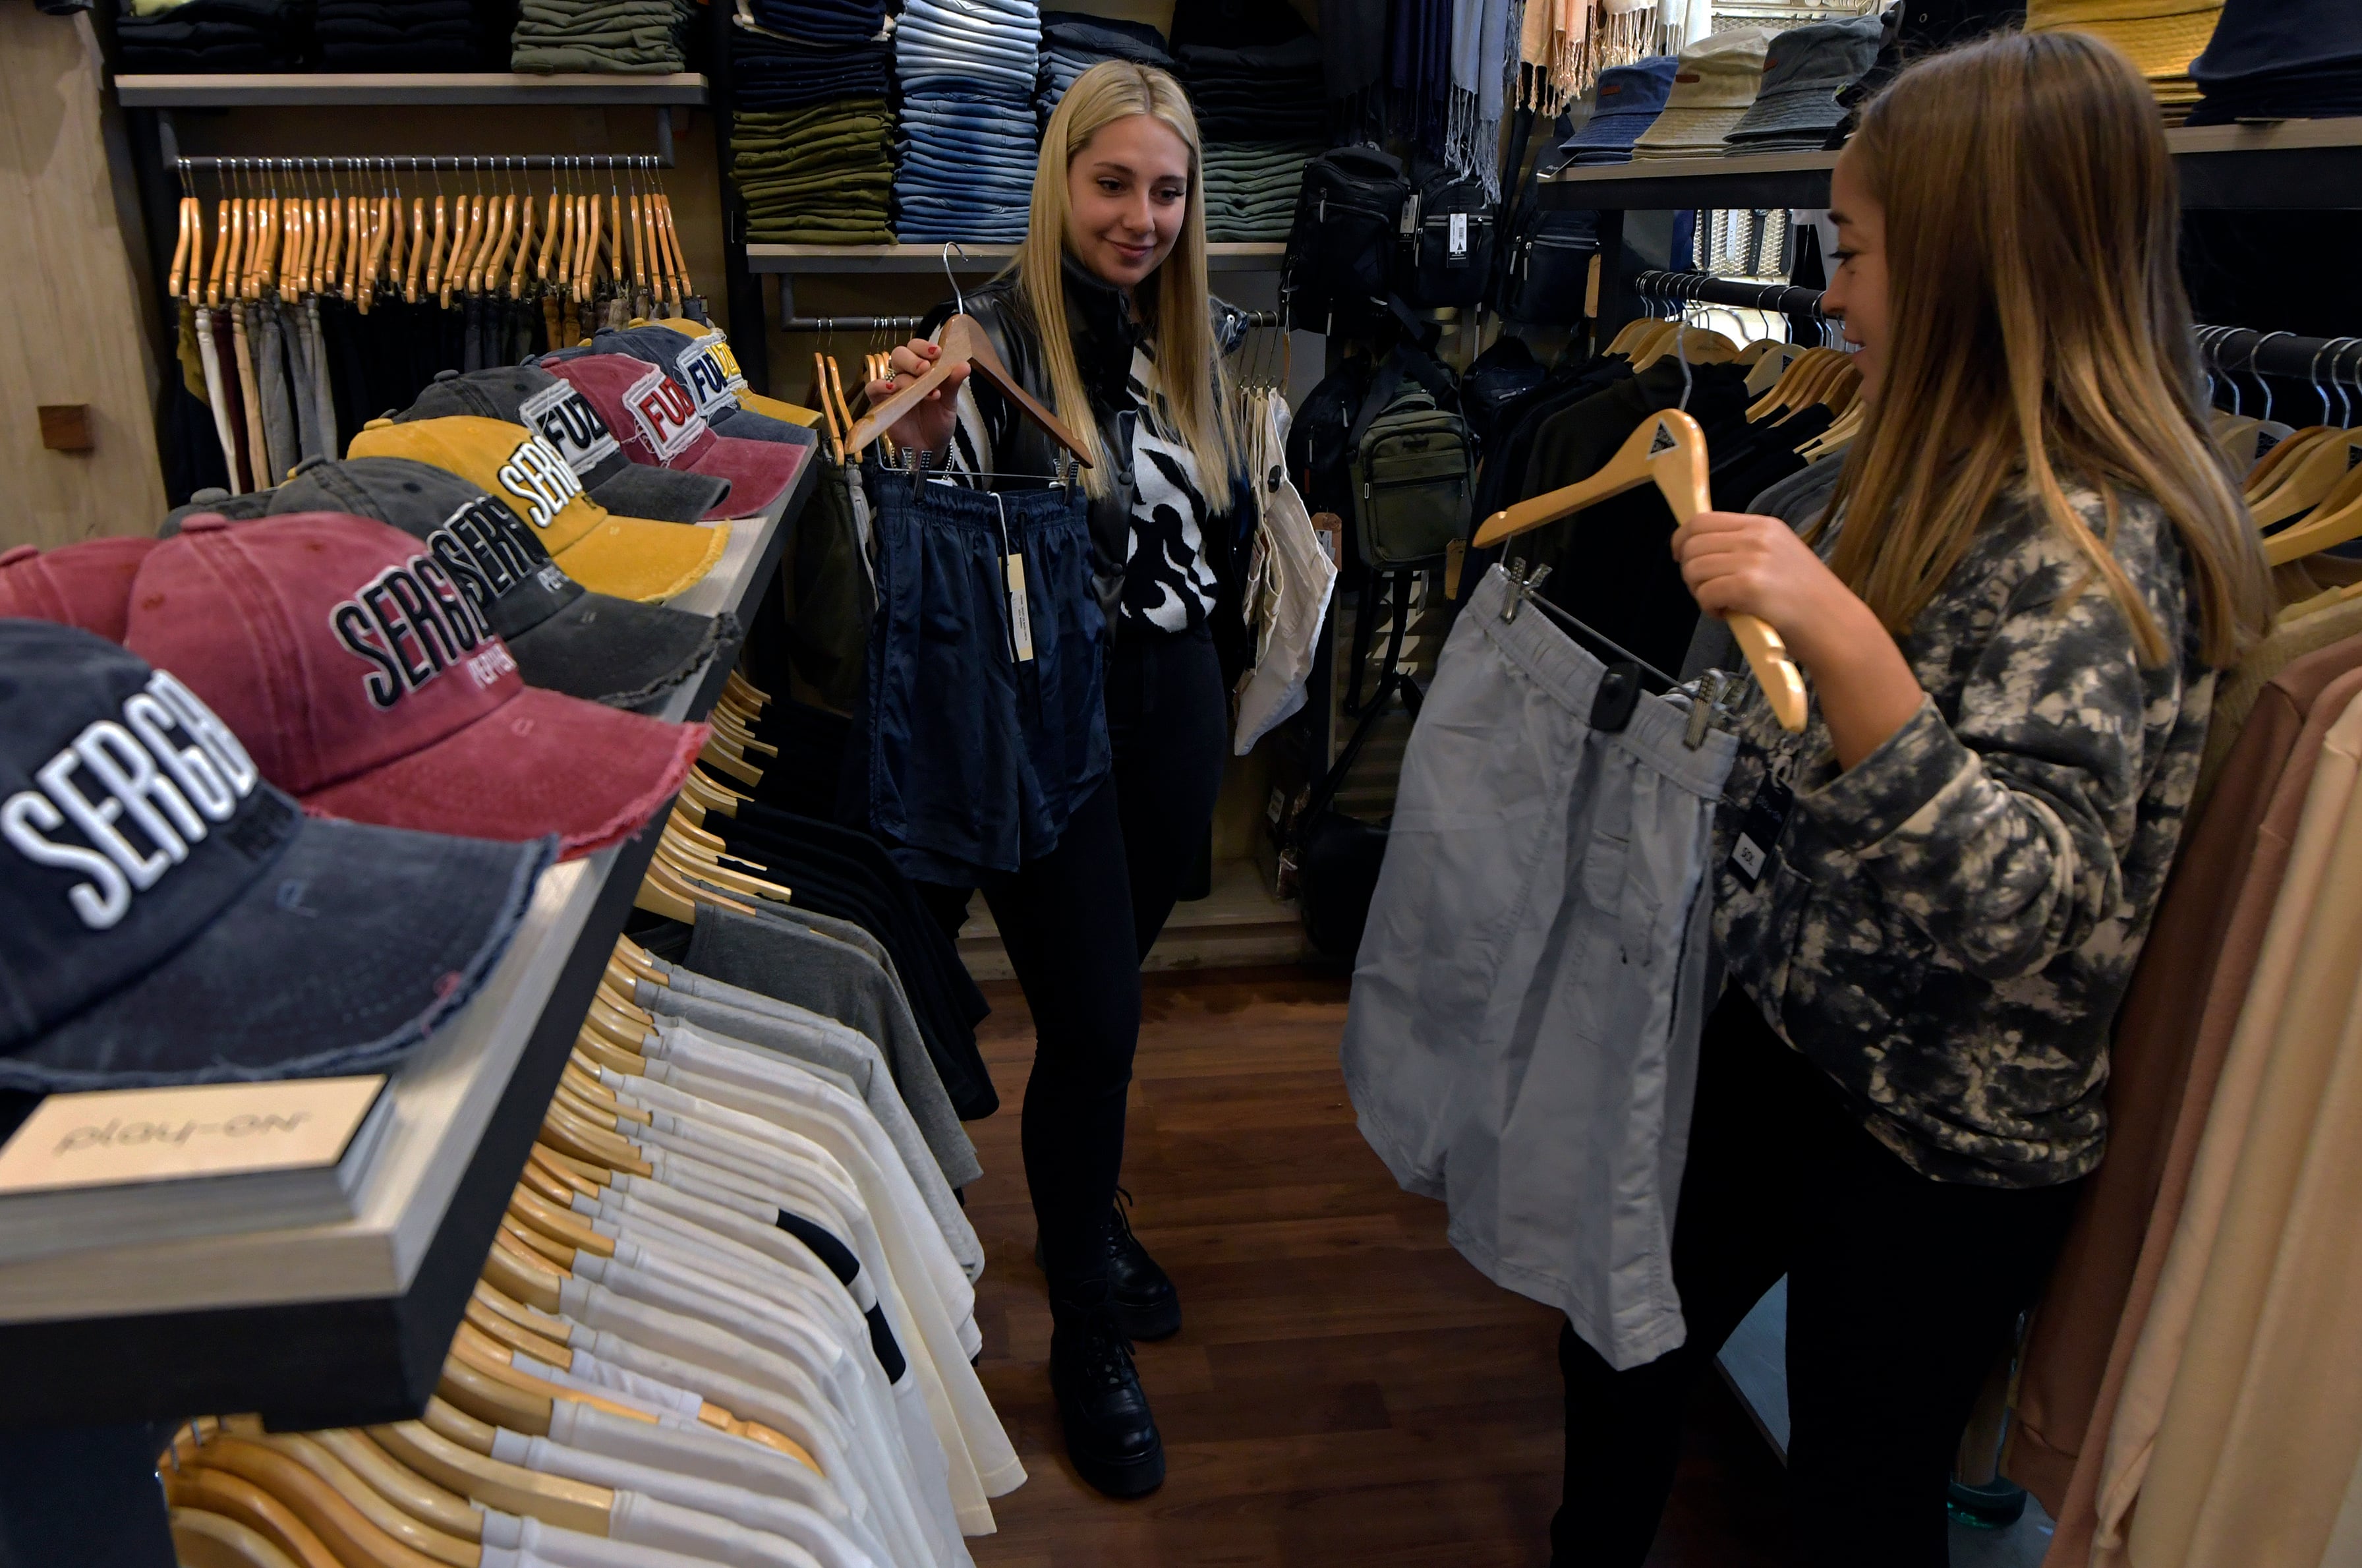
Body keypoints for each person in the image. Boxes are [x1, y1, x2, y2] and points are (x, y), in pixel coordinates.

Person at [1555, 32, 2272, 1567]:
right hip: (1792, 1035)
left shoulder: (2099, 544)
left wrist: (1848, 642)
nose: (1826, 294)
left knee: (1859, 1499)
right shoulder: (1906, 462)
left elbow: (2032, 901)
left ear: (1969, 267)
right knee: (1616, 1326)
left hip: (1944, 1139)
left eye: (1856, 253)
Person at [863, 61, 1249, 1499]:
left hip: (1174, 717)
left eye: (1165, 189)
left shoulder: (1193, 336)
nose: (1141, 216)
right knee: (1090, 1023)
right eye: (1113, 185)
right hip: (1051, 731)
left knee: (1114, 1008)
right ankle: (1084, 1320)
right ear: (1061, 182)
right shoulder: (986, 339)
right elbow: (919, 565)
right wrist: (908, 456)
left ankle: (1085, 1218)